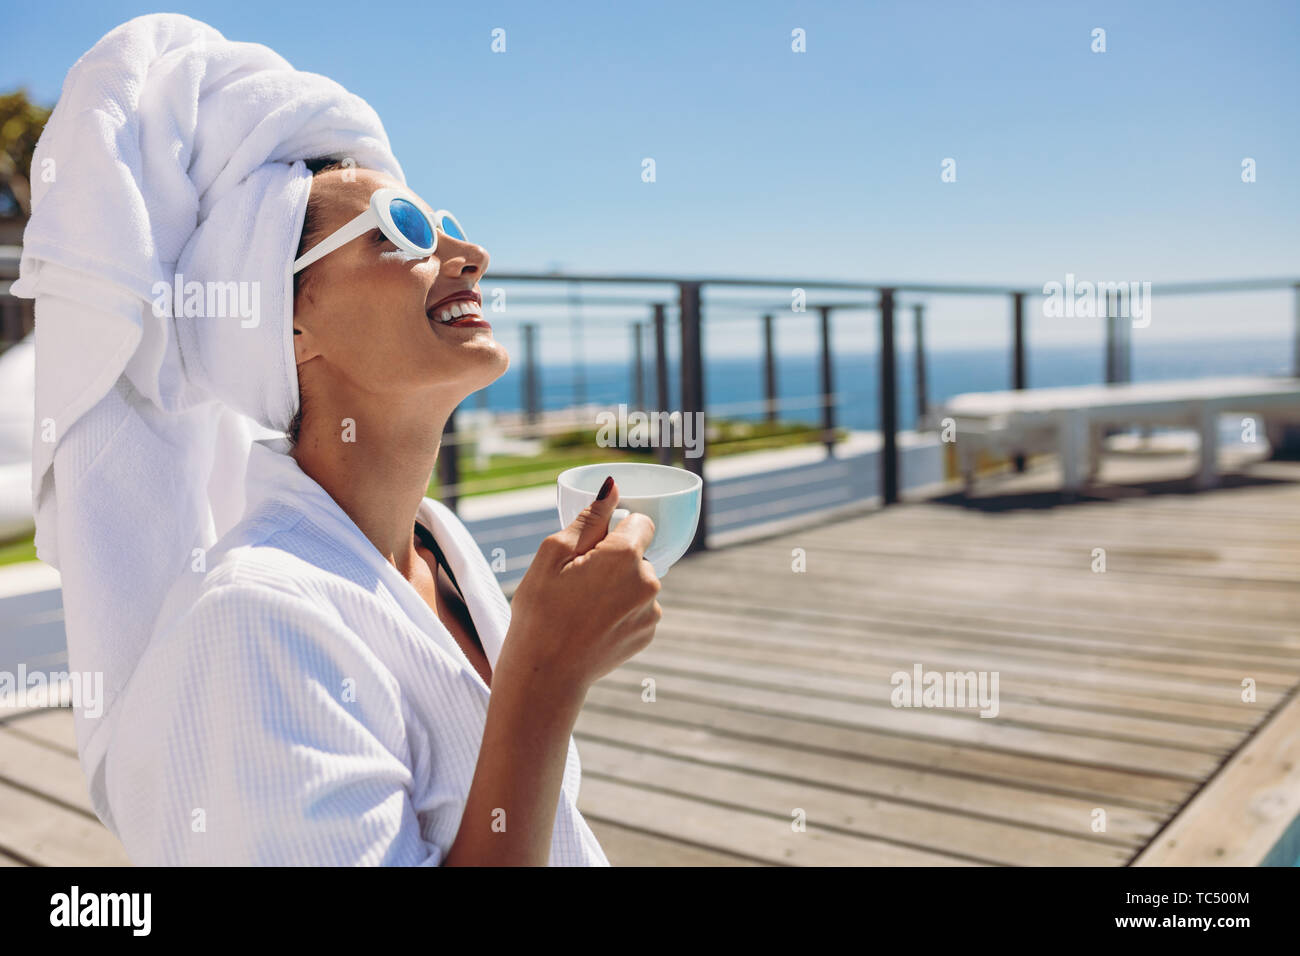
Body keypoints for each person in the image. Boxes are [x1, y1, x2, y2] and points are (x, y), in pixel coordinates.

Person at [13, 13, 661, 866]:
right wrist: (546, 675)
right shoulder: (256, 619)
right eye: (405, 231)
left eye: (447, 223)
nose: (471, 254)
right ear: (287, 326)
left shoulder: (438, 546)